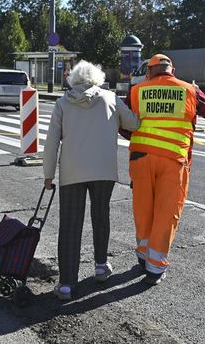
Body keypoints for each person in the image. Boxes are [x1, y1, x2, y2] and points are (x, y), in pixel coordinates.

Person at [124, 54, 205, 285]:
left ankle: (143, 255)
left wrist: (135, 136)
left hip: (141, 158)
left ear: (149, 72)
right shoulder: (188, 90)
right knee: (166, 212)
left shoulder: (137, 91)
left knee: (143, 209)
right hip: (173, 161)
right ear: (172, 71)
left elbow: (123, 122)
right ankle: (155, 268)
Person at [43, 60, 140, 301]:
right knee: (100, 215)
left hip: (72, 171)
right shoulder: (109, 98)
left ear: (72, 81)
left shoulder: (63, 103)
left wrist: (48, 174)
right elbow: (133, 123)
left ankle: (66, 284)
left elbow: (52, 142)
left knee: (70, 225)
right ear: (98, 78)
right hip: (104, 170)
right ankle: (100, 266)